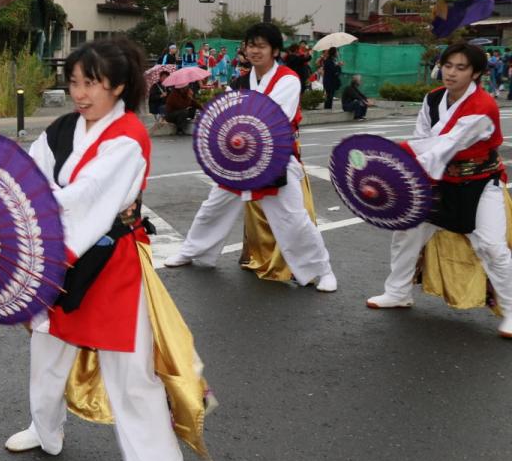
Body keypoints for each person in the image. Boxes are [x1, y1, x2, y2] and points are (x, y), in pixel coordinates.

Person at [5, 36, 210, 461]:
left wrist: (38, 208)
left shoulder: (129, 137)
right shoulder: (61, 130)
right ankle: (44, 427)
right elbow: (27, 174)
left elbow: (84, 199)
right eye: (74, 82)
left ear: (118, 86)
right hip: (60, 255)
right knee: (47, 352)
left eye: (91, 84)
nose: (80, 93)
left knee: (133, 377)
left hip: (110, 264)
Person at [164, 22, 337, 291]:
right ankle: (192, 251)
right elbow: (231, 112)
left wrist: (239, 121)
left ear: (275, 50)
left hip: (275, 159)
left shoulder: (288, 79)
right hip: (238, 157)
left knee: (293, 218)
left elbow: (274, 116)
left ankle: (322, 269)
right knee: (214, 207)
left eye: (261, 46)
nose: (254, 51)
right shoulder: (241, 80)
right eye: (251, 45)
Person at [366, 44, 512, 338]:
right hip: (439, 181)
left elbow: (441, 146)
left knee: (492, 246)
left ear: (476, 73)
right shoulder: (433, 99)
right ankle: (398, 292)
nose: (452, 73)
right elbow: (422, 136)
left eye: (461, 68)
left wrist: (393, 155)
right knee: (407, 232)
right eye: (448, 65)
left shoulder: (483, 107)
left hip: (480, 183)